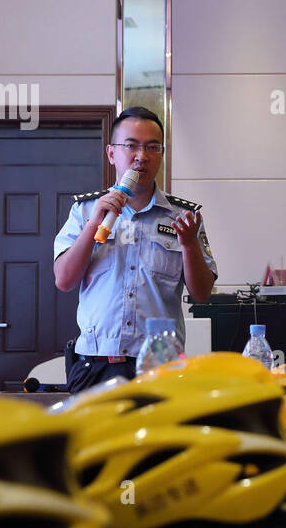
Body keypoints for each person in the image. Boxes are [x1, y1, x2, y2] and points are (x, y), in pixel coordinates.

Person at [53, 106, 217, 392]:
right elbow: (64, 280)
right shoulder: (85, 211)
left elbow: (202, 294)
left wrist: (189, 244)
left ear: (161, 155)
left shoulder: (183, 217)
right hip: (96, 363)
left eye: (152, 147)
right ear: (111, 153)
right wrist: (94, 225)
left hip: (160, 364)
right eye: (131, 146)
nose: (141, 156)